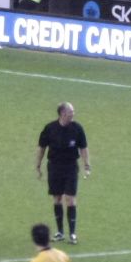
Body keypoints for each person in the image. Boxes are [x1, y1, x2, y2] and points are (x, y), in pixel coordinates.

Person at [35, 102, 90, 246]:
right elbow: (42, 147)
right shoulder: (50, 128)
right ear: (63, 114)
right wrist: (38, 164)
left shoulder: (77, 129)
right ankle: (60, 232)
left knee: (70, 199)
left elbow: (83, 148)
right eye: (71, 111)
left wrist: (86, 164)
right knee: (57, 198)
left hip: (71, 167)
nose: (73, 114)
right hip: (54, 167)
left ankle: (72, 233)